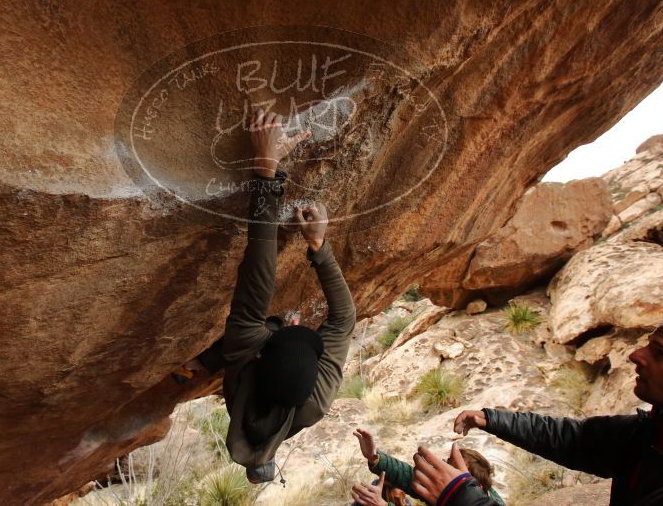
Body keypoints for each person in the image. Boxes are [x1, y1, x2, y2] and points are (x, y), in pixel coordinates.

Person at [174, 108, 357, 484]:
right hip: (265, 355)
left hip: (244, 351)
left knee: (234, 337)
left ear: (264, 348)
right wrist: (319, 247)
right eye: (296, 327)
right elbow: (343, 318)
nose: (295, 319)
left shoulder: (243, 370)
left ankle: (199, 362)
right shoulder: (314, 403)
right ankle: (200, 363)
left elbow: (258, 268)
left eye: (288, 329)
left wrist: (265, 171)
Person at [407, 312, 663, 505]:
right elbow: (576, 439)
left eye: (660, 354)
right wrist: (492, 420)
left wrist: (459, 496)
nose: (635, 355)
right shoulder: (657, 433)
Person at [350, 428, 504, 506]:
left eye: (451, 469)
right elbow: (407, 475)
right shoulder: (472, 494)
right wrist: (374, 456)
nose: (443, 468)